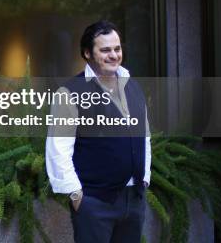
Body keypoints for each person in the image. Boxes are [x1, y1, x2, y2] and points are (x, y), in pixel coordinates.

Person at [45, 20, 151, 243]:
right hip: (94, 203)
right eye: (105, 50)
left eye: (117, 48)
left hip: (134, 199)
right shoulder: (70, 93)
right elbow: (58, 149)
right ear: (87, 53)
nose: (114, 55)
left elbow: (145, 137)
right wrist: (76, 195)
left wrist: (145, 179)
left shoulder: (133, 85)